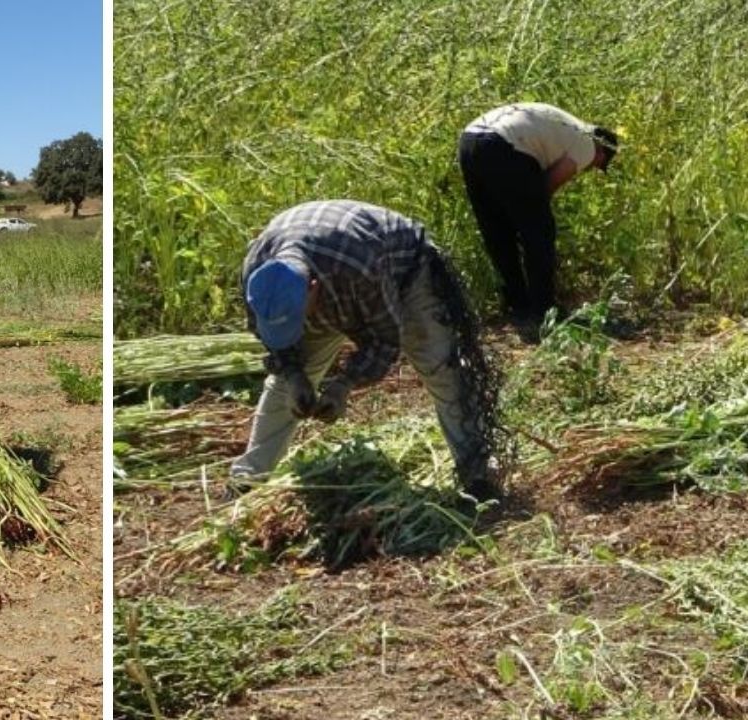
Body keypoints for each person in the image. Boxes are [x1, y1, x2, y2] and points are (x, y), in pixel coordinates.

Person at [230, 200, 499, 500]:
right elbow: (271, 337)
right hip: (333, 279)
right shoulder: (258, 277)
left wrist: (344, 385)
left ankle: (478, 473)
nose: (299, 328)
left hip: (403, 271)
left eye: (297, 319)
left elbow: (384, 340)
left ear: (313, 288)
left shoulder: (360, 269)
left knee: (440, 367)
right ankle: (248, 479)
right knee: (283, 387)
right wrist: (294, 375)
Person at [458, 102, 618, 340]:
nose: (591, 166)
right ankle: (544, 310)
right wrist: (536, 212)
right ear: (602, 151)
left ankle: (518, 305)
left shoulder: (566, 124)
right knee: (539, 232)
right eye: (598, 164)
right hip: (503, 146)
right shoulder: (587, 143)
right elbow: (549, 184)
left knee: (497, 231)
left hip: (470, 141)